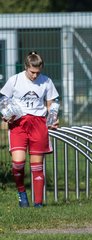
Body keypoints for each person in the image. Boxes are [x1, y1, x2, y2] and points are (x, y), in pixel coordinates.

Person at [0, 51, 59, 208]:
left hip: (38, 124)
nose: (35, 76)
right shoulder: (15, 80)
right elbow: (3, 98)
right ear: (26, 67)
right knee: (18, 162)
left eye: (38, 72)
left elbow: (51, 104)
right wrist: (5, 113)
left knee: (37, 165)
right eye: (32, 72)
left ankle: (38, 204)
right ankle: (21, 193)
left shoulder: (46, 82)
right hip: (19, 123)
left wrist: (53, 118)